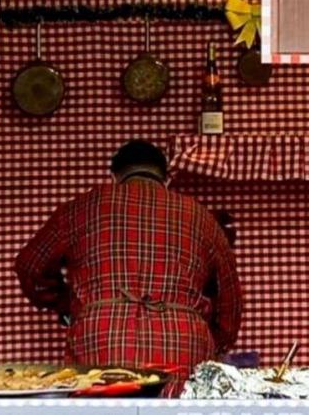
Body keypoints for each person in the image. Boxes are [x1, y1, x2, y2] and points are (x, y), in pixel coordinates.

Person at [14, 140, 242, 390]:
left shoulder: (83, 208)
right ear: (166, 179)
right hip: (183, 339)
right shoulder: (201, 217)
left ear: (114, 177)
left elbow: (30, 265)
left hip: (102, 334)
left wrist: (65, 302)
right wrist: (215, 342)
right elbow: (230, 300)